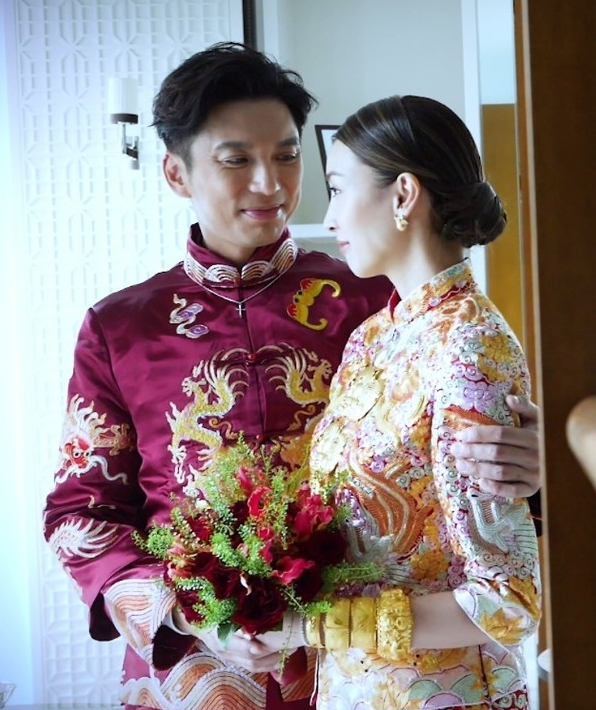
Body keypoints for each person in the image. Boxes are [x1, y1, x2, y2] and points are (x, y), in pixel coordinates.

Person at [43, 44, 540, 710]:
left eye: (286, 156)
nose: (270, 185)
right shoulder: (121, 328)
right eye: (236, 160)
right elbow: (81, 511)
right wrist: (188, 614)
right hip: (193, 669)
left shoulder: (375, 303)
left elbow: (465, 508)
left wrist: (529, 468)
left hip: (372, 667)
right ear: (176, 172)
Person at [252, 95, 542, 710]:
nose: (328, 216)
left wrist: (313, 625)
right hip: (355, 687)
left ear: (404, 194)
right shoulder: (373, 337)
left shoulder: (469, 345)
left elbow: (506, 602)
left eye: (337, 189)